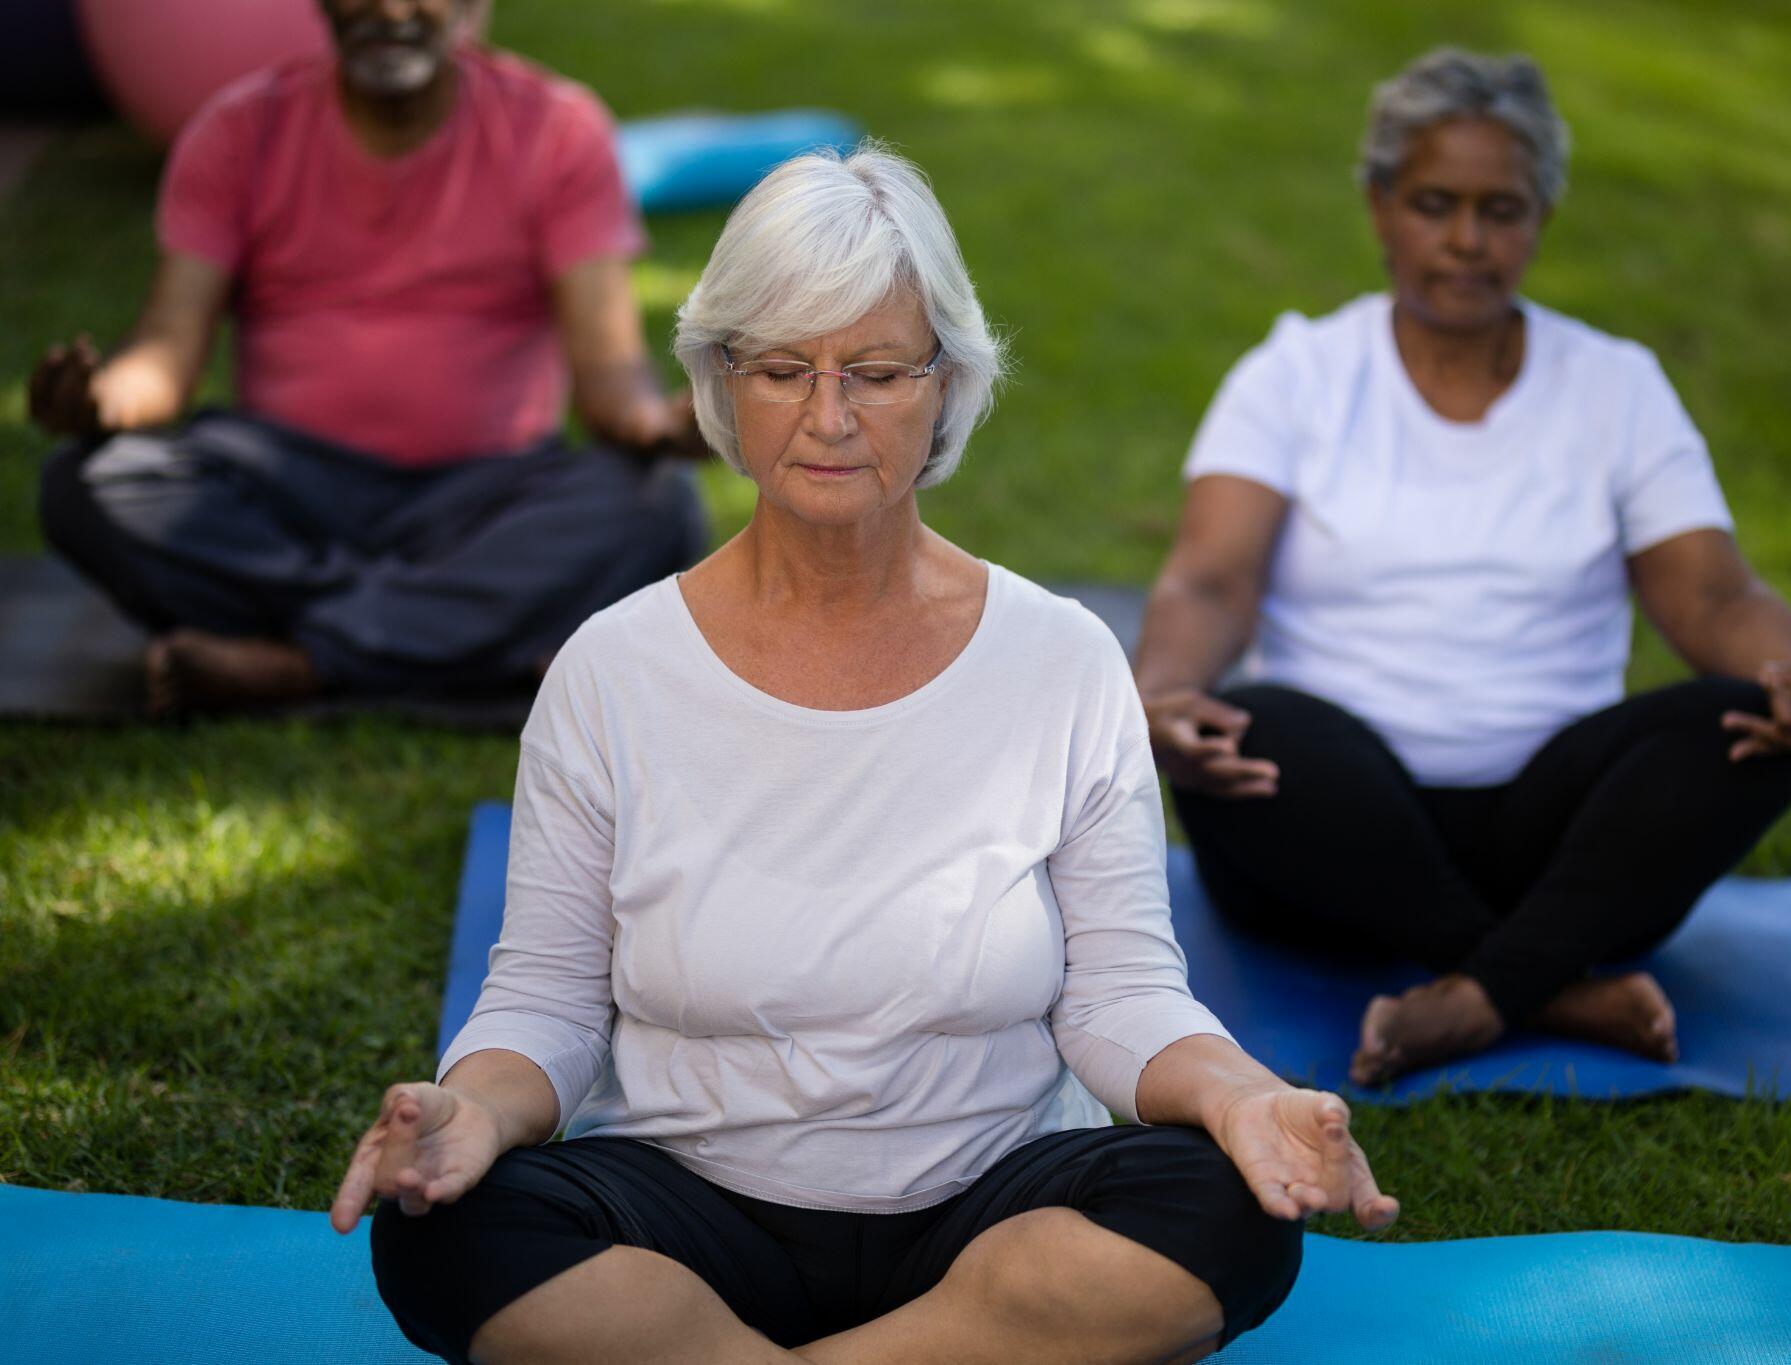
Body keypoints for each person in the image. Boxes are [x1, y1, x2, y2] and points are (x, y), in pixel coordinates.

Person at [329, 146, 1400, 1364]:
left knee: (1221, 1208)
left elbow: (1119, 995)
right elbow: (548, 1002)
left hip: (988, 1201)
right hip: (686, 1213)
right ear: (721, 382)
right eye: (783, 370)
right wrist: (469, 1110)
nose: (830, 418)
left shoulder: (1060, 660)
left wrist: (1244, 1097)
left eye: (878, 372)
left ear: (946, 384)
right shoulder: (611, 669)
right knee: (446, 1225)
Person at [1137, 49, 1791, 1087]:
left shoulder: (1614, 385)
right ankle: (1550, 985)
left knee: (1736, 732)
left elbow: (1710, 592)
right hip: (1327, 826)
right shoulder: (1292, 375)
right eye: (1434, 204)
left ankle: (1471, 995)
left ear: (1541, 218)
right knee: (1250, 729)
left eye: (1501, 210)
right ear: (1379, 203)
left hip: (1552, 831)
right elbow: (1206, 581)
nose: (1467, 242)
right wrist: (1157, 696)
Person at [30, 0, 706, 715]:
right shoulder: (239, 129)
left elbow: (609, 375)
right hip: (288, 494)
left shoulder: (557, 130)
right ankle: (452, 626)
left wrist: (659, 423)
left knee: (655, 502)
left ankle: (302, 661)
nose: (389, 8)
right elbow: (166, 352)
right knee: (88, 483)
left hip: (486, 498)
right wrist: (102, 403)